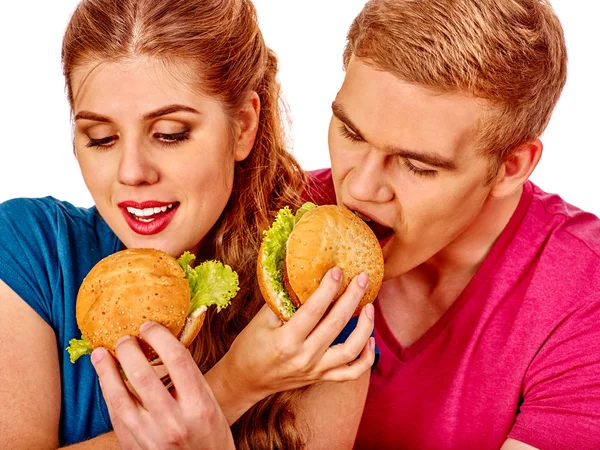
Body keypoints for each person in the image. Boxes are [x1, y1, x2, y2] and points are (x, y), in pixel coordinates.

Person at [0, 0, 376, 449]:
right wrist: (236, 384)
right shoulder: (31, 249)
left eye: (170, 134)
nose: (131, 172)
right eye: (101, 138)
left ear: (242, 127)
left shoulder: (314, 310)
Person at [304, 0, 600, 448]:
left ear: (511, 166)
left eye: (417, 165)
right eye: (350, 132)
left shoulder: (584, 295)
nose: (361, 188)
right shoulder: (274, 213)